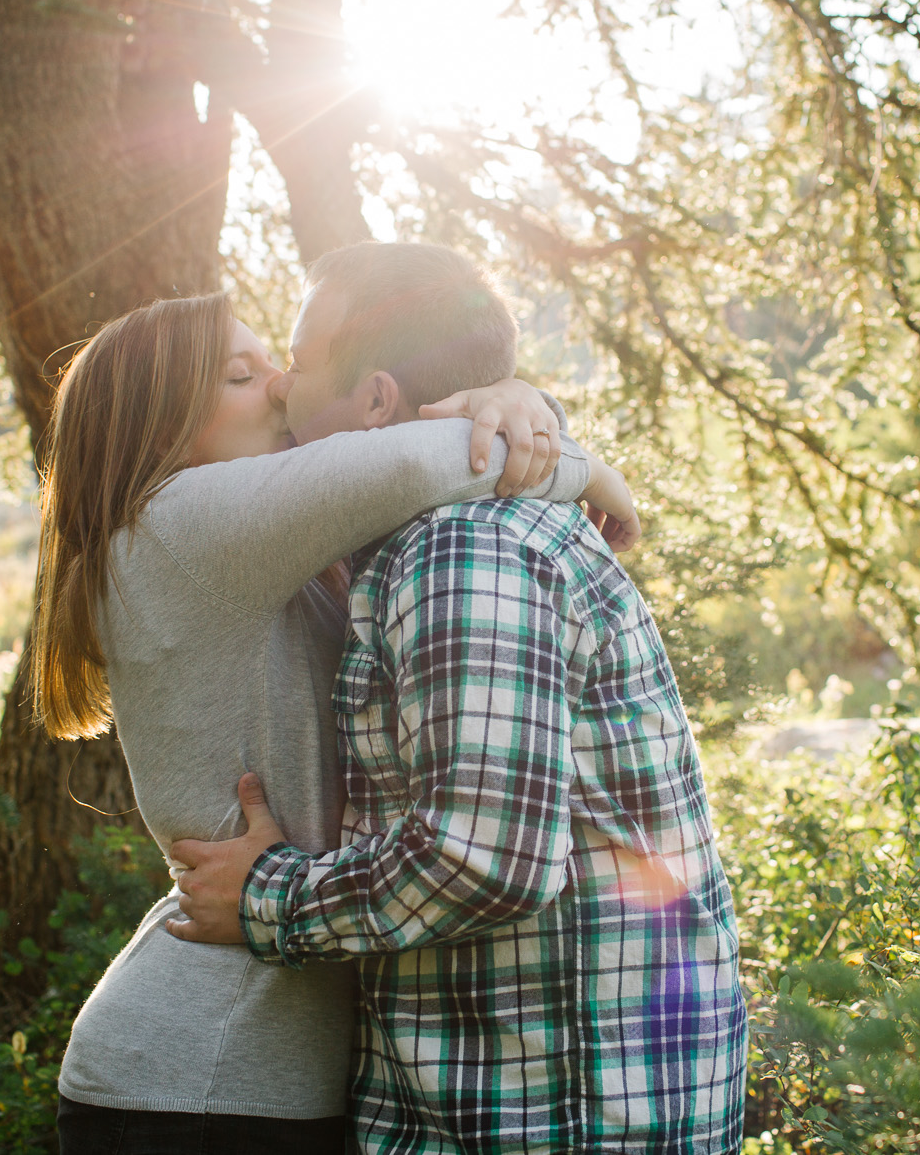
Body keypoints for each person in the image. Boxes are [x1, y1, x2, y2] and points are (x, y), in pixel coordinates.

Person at [36, 282, 640, 1155]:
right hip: (203, 1083)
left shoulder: (250, 556)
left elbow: (407, 457)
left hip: (238, 1079)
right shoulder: (177, 526)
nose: (281, 386)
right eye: (243, 376)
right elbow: (408, 461)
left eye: (275, 364)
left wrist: (520, 402)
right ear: (160, 424)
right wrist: (580, 465)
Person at [171, 242, 747, 1154]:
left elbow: (486, 859)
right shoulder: (424, 537)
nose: (281, 386)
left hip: (554, 1110)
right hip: (526, 1091)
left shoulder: (460, 551)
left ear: (376, 400)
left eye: (300, 358)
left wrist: (268, 899)